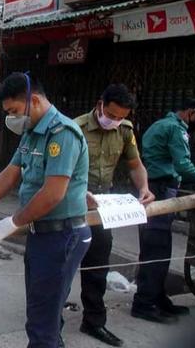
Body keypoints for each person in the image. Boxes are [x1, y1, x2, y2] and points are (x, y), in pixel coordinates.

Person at [0, 72, 91, 348]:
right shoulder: (32, 133)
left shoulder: (62, 134)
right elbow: (10, 174)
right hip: (42, 234)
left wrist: (13, 221)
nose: (11, 119)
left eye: (14, 111)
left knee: (42, 322)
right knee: (43, 315)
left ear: (34, 101)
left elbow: (53, 194)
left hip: (61, 236)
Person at [74, 84, 155, 347]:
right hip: (71, 204)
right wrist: (78, 192)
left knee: (98, 265)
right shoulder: (75, 128)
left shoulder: (125, 131)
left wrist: (143, 188)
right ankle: (50, 323)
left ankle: (94, 322)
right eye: (112, 114)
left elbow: (135, 165)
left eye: (121, 116)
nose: (115, 121)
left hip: (103, 208)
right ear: (100, 104)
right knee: (61, 264)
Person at [131, 99, 195, 323]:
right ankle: (144, 303)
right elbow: (183, 164)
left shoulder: (159, 125)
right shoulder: (175, 129)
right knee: (156, 248)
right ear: (192, 113)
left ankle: (158, 298)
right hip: (159, 190)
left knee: (156, 247)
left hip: (152, 188)